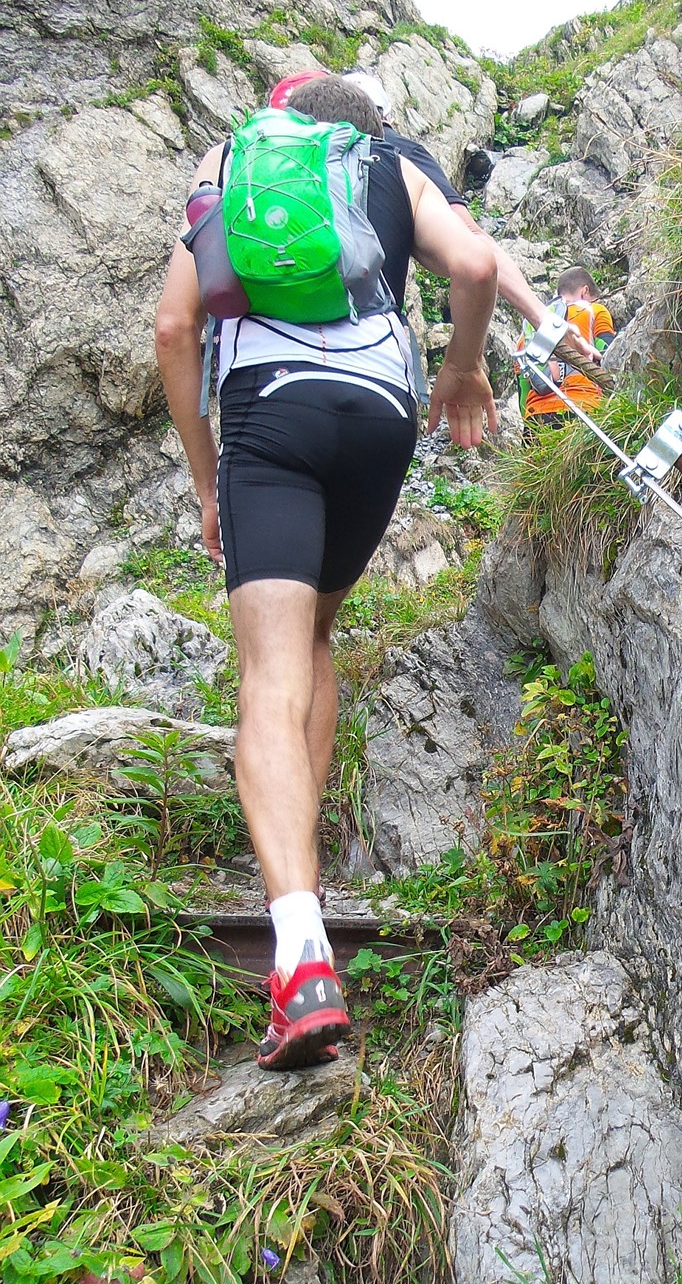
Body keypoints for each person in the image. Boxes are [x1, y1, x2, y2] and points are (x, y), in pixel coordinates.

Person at [155, 76, 497, 1068]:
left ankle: (301, 959)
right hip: (380, 416)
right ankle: (302, 870)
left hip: (272, 411)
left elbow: (177, 328)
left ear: (281, 121)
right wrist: (462, 368)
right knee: (315, 632)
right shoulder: (391, 165)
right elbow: (472, 263)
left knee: (270, 665)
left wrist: (208, 477)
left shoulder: (230, 162)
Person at [268, 68, 597, 350]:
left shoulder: (260, 168)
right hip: (369, 353)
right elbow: (474, 245)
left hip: (266, 352)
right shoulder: (398, 152)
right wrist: (540, 319)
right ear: (384, 116)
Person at [519, 267, 616, 433]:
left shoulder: (529, 328)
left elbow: (523, 386)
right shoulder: (594, 310)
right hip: (582, 408)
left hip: (535, 418)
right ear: (585, 291)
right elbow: (612, 358)